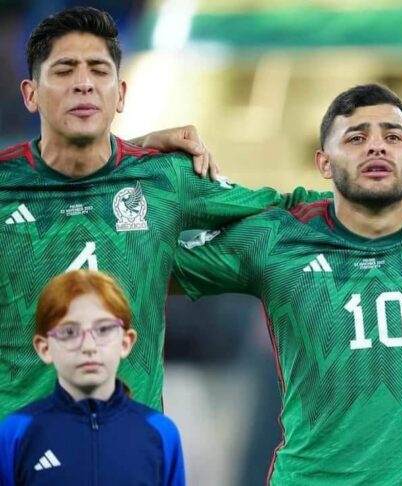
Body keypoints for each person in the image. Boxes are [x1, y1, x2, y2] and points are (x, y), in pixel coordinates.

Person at [0, 6, 340, 420]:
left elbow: (285, 206)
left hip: (133, 445)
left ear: (121, 93)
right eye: (65, 70)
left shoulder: (164, 177)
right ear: (30, 93)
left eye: (98, 71)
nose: (84, 84)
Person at [172, 84, 402, 485]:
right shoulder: (277, 236)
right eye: (356, 138)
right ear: (324, 163)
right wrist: (140, 160)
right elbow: (145, 265)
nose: (376, 147)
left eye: (393, 137)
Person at [0, 270, 185, 485]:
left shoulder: (160, 433)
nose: (88, 347)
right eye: (69, 332)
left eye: (104, 329)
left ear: (126, 342)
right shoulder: (16, 433)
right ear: (44, 348)